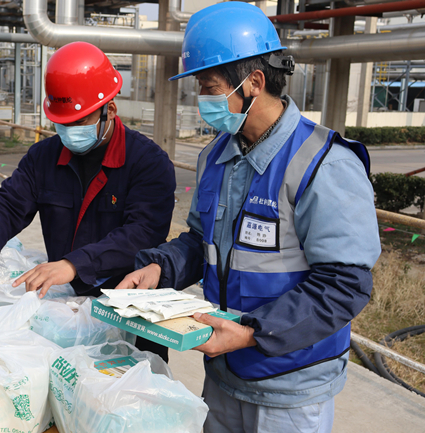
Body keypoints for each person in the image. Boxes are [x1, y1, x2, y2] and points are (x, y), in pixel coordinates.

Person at [116, 3, 381, 432]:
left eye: (210, 87)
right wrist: (160, 268)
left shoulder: (324, 164)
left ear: (254, 82)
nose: (202, 99)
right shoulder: (215, 157)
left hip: (290, 387)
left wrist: (253, 333)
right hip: (223, 374)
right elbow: (201, 241)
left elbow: (344, 284)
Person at [0, 41, 176, 360]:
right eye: (62, 123)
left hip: (130, 312)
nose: (70, 132)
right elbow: (6, 203)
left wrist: (74, 265)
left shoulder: (147, 162)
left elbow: (143, 234)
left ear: (110, 111)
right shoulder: (44, 157)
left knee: (129, 383)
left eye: (79, 122)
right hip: (68, 311)